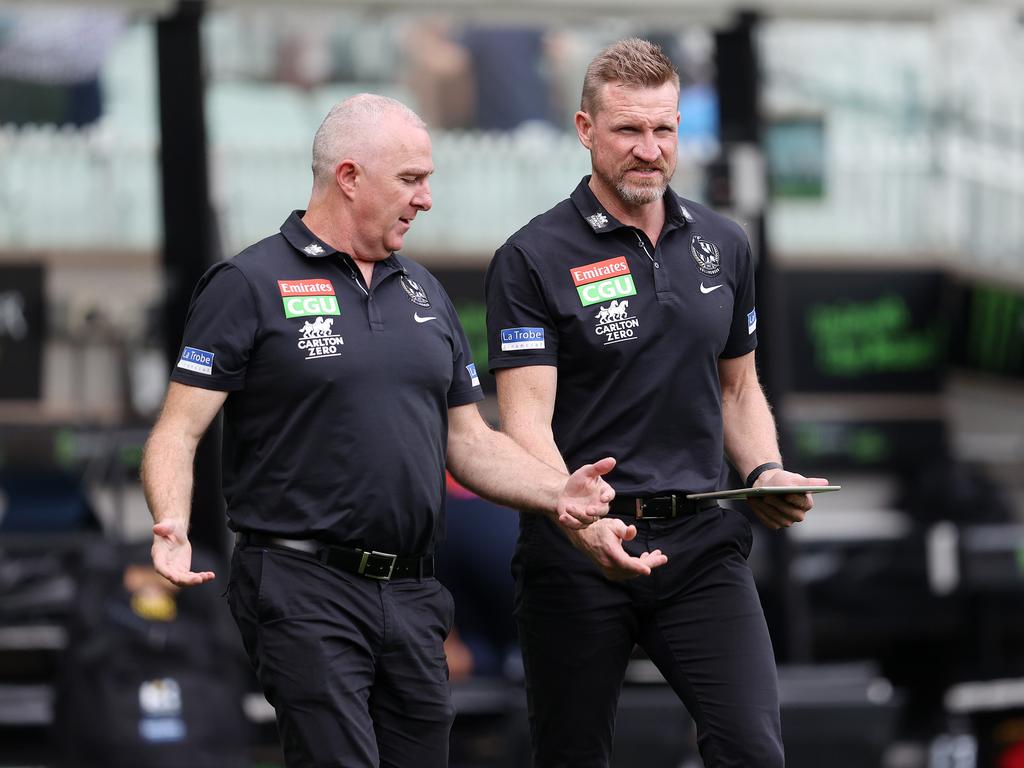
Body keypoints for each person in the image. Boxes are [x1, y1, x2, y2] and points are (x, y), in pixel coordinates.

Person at [140, 93, 620, 768]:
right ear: (349, 176)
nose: (426, 198)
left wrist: (556, 492)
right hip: (301, 581)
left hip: (414, 593)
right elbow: (177, 431)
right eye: (412, 179)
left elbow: (471, 443)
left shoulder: (424, 293)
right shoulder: (247, 283)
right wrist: (171, 521)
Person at [484, 38, 829, 768]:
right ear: (585, 130)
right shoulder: (532, 257)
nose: (650, 149)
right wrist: (579, 518)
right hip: (577, 551)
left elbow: (738, 387)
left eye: (664, 129)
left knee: (752, 750)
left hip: (701, 546)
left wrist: (765, 471)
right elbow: (524, 423)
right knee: (571, 756)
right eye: (628, 130)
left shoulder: (724, 244)